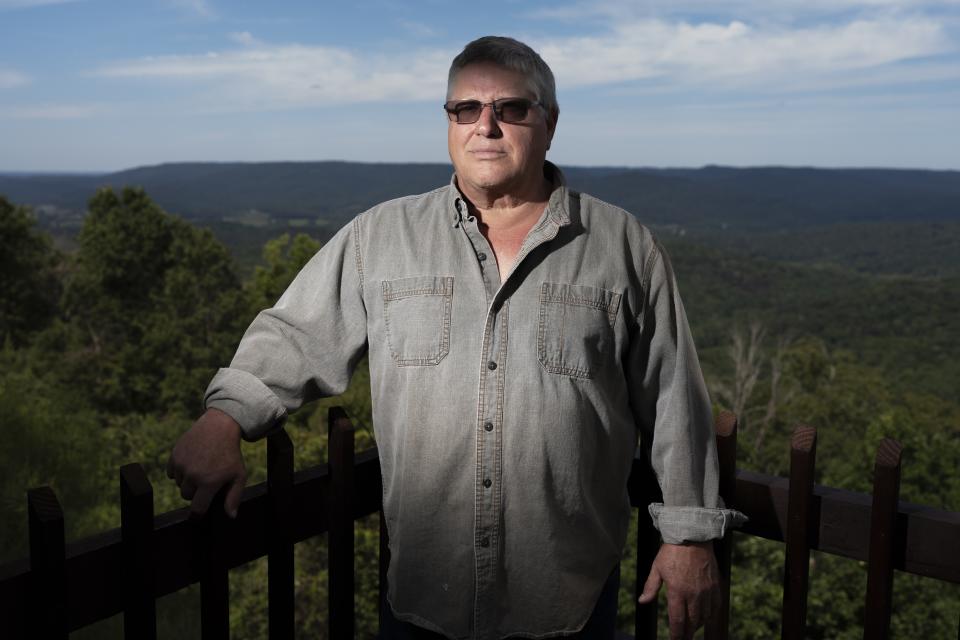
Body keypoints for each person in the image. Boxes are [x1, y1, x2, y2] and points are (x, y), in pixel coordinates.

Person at [167, 35, 745, 640]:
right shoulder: (381, 238)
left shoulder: (624, 247)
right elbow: (297, 335)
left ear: (549, 123)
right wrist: (223, 420)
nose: (486, 126)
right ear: (449, 122)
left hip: (567, 601)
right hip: (422, 603)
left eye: (511, 109)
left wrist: (689, 535)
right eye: (466, 109)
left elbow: (674, 398)